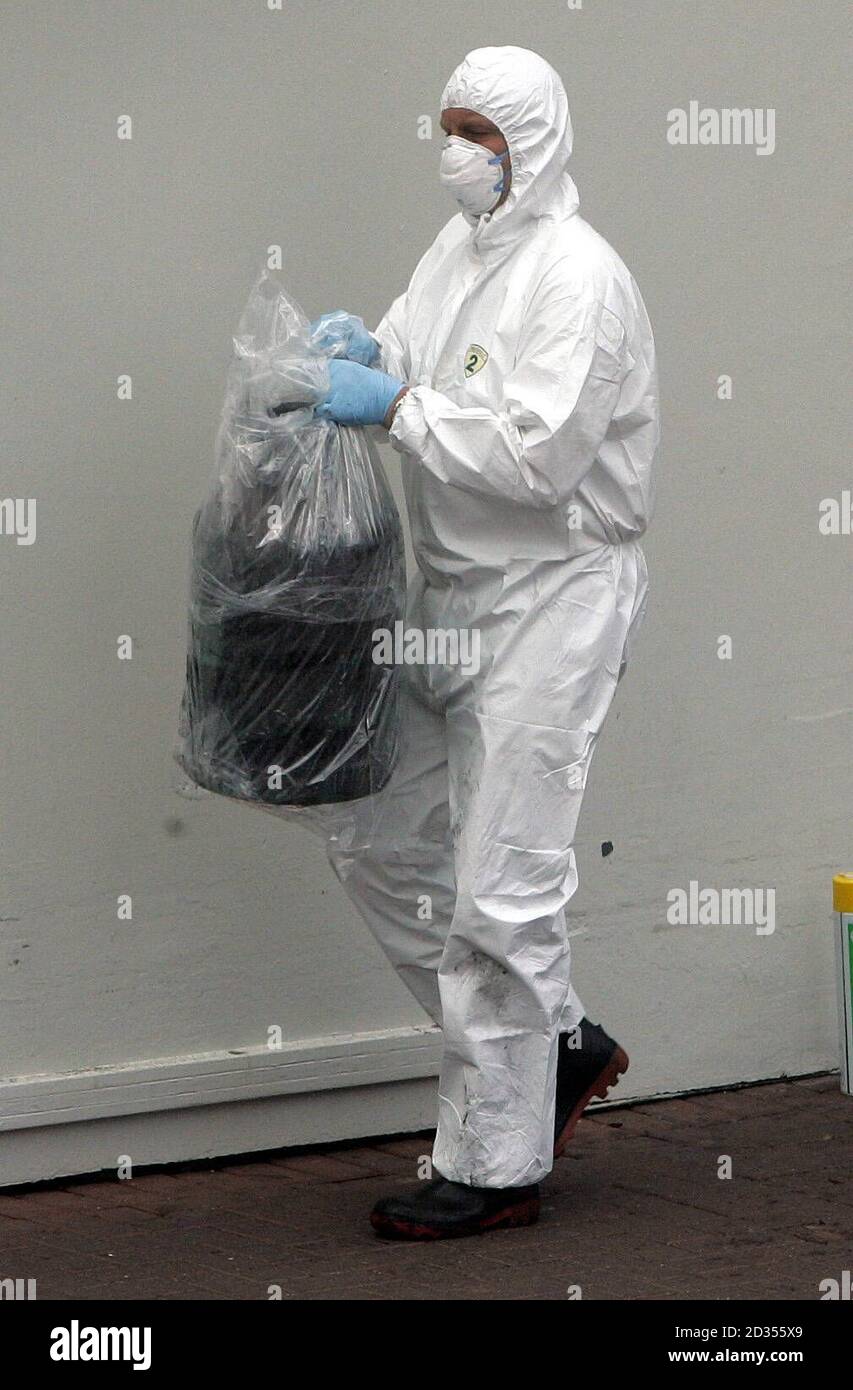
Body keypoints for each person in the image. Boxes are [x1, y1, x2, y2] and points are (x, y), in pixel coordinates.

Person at [311, 45, 659, 1240]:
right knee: (373, 833)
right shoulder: (457, 251)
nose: (456, 150)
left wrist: (399, 409)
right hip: (448, 595)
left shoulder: (580, 278)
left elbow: (536, 456)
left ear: (533, 141)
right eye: (449, 126)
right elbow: (412, 353)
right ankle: (552, 1040)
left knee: (503, 893)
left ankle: (496, 1160)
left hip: (551, 601)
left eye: (481, 131)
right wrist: (372, 358)